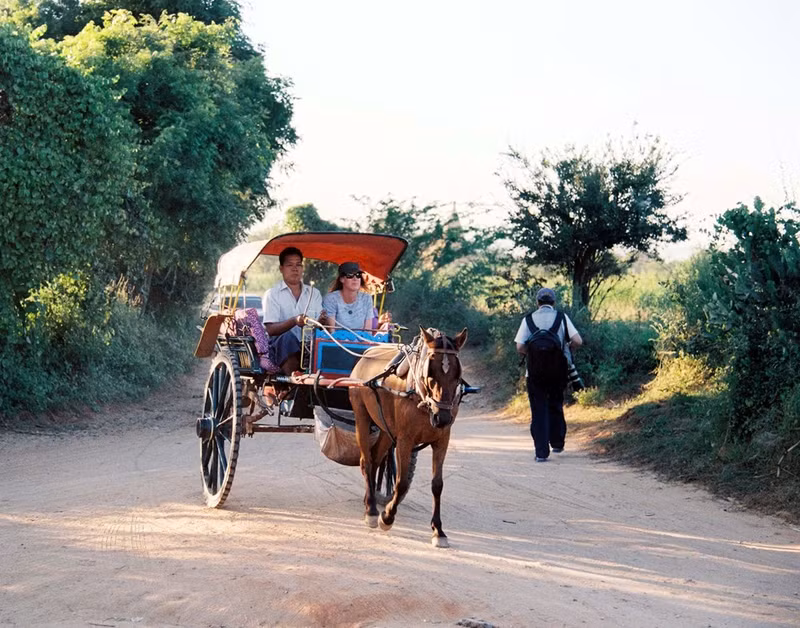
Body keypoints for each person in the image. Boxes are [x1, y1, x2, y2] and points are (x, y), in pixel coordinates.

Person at [515, 287, 582, 462]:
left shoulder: (528, 319)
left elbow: (519, 347)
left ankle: (541, 453)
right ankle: (557, 443)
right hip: (558, 371)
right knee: (556, 403)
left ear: (537, 302)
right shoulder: (561, 317)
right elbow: (577, 341)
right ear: (553, 302)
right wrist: (566, 349)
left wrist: (533, 353)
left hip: (534, 373)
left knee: (538, 409)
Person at [262, 246, 324, 375]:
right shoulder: (272, 294)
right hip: (281, 347)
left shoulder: (314, 293)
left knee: (325, 342)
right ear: (281, 269)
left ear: (302, 268)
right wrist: (294, 321)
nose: (295, 269)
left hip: (308, 344)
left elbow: (319, 323)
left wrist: (322, 321)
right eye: (290, 265)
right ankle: (293, 380)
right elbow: (271, 329)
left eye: (298, 265)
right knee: (288, 338)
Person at [322, 261, 391, 331]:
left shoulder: (366, 298)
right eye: (350, 275)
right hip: (335, 338)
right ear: (341, 279)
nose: (355, 279)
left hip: (360, 338)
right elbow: (331, 331)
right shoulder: (331, 299)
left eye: (358, 275)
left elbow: (368, 331)